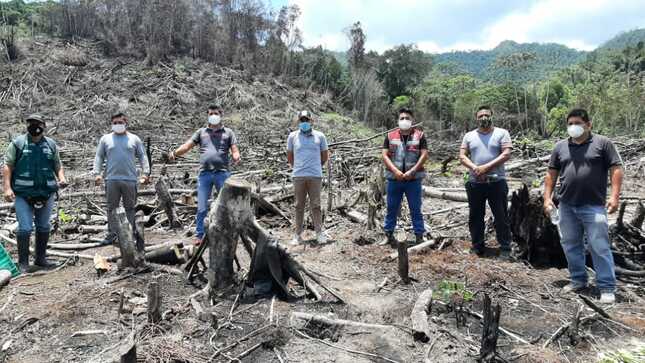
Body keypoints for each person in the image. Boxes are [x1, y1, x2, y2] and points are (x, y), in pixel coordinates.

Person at [544, 108, 623, 304]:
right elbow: (551, 174)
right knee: (571, 244)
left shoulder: (603, 144)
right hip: (566, 206)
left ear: (588, 125)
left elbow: (616, 169)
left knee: (599, 245)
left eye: (578, 123)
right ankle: (578, 280)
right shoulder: (560, 147)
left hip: (594, 206)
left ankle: (606, 286)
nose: (573, 127)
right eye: (570, 124)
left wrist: (614, 196)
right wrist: (547, 198)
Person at [3, 114, 67, 272]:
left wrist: (62, 178)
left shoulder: (51, 145)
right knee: (24, 228)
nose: (34, 126)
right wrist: (7, 188)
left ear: (44, 126)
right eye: (31, 123)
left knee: (44, 226)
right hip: (23, 194)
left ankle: (41, 259)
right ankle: (23, 263)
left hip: (46, 192)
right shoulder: (18, 143)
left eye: (38, 124)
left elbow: (57, 165)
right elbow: (7, 166)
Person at [169, 104, 240, 245]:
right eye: (211, 113)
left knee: (226, 205)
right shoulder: (201, 132)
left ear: (221, 114)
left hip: (222, 173)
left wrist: (236, 156)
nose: (213, 116)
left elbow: (234, 149)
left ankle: (228, 233)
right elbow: (187, 146)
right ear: (207, 115)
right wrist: (175, 153)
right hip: (205, 174)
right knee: (201, 206)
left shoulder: (228, 132)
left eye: (216, 113)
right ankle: (200, 235)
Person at [459, 106, 513, 258]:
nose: (483, 117)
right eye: (480, 115)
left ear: (491, 116)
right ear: (476, 118)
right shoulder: (469, 136)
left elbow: (506, 154)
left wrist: (486, 168)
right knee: (475, 216)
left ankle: (505, 248)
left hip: (497, 182)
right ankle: (477, 246)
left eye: (486, 115)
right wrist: (476, 169)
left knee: (501, 215)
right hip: (475, 183)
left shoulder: (502, 133)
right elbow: (462, 156)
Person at [93, 111, 150, 247]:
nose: (118, 125)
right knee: (111, 207)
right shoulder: (105, 139)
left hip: (130, 179)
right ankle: (112, 234)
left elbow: (142, 156)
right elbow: (99, 156)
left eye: (121, 122)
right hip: (111, 179)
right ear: (111, 124)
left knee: (130, 208)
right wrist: (97, 173)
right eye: (115, 123)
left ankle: (129, 233)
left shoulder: (134, 139)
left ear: (126, 123)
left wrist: (145, 173)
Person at [382, 108, 428, 247]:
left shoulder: (419, 136)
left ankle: (419, 236)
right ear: (398, 120)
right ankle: (388, 235)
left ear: (412, 120)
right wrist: (395, 171)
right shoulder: (390, 136)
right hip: (394, 179)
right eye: (402, 118)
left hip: (413, 180)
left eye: (407, 118)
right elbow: (384, 155)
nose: (404, 121)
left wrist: (412, 171)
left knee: (415, 208)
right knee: (392, 207)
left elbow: (424, 155)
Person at [287, 111, 330, 245]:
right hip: (298, 176)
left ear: (311, 121)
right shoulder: (292, 136)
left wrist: (316, 166)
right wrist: (298, 167)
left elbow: (324, 156)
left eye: (307, 119)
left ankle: (319, 233)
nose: (304, 122)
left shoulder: (320, 136)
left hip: (315, 176)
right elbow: (290, 156)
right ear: (299, 121)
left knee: (316, 205)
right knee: (299, 205)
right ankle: (297, 235)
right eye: (302, 120)